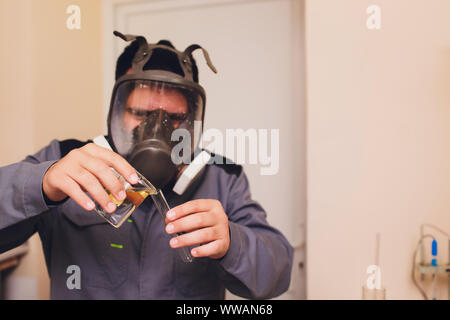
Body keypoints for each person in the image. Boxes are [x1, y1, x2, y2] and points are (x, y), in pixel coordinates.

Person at [0, 31, 293, 299]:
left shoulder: (222, 178)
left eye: (174, 119)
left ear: (191, 123)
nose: (156, 130)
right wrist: (42, 183)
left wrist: (231, 241)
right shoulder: (66, 162)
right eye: (141, 112)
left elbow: (276, 274)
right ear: (117, 110)